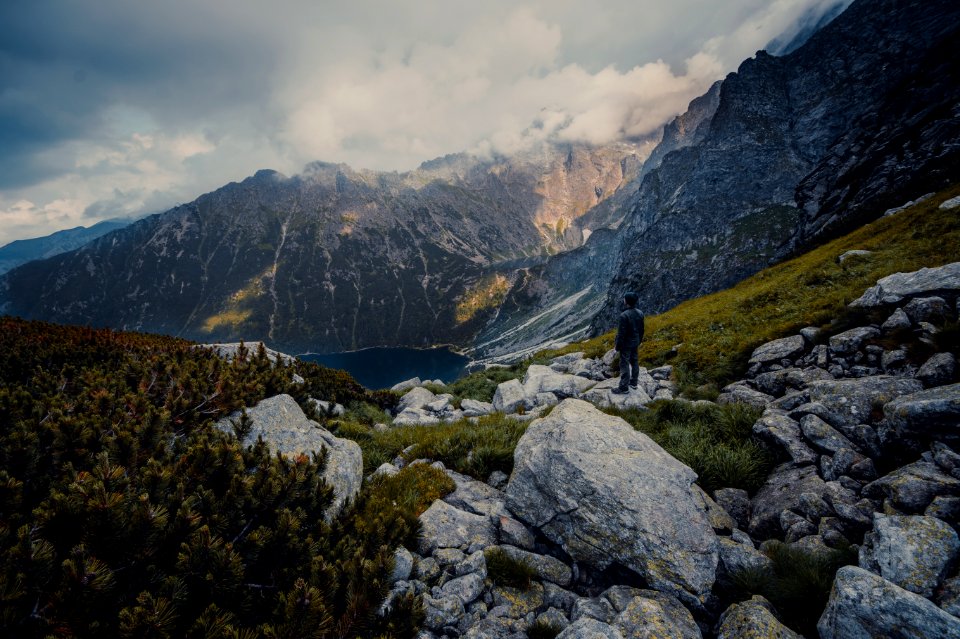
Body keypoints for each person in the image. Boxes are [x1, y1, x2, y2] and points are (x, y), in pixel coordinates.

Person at [611, 291, 644, 394]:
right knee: (634, 360)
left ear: (626, 301)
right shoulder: (640, 312)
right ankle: (634, 383)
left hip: (626, 343)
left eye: (624, 298)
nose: (623, 299)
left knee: (624, 363)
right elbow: (641, 329)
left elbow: (621, 334)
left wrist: (617, 347)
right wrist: (639, 340)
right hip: (636, 341)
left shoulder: (624, 316)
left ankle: (624, 387)